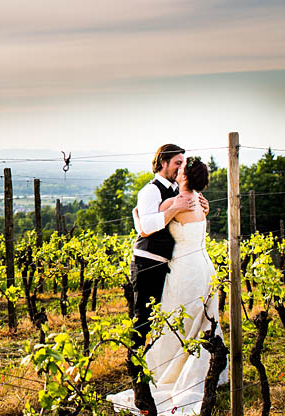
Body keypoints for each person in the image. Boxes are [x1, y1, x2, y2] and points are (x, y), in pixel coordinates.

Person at [109, 157, 226, 415]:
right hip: (204, 265)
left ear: (183, 177)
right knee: (201, 321)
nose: (177, 170)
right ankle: (206, 371)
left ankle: (168, 373)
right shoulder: (199, 203)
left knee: (175, 321)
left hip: (184, 269)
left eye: (181, 168)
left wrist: (136, 214)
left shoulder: (173, 202)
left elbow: (145, 227)